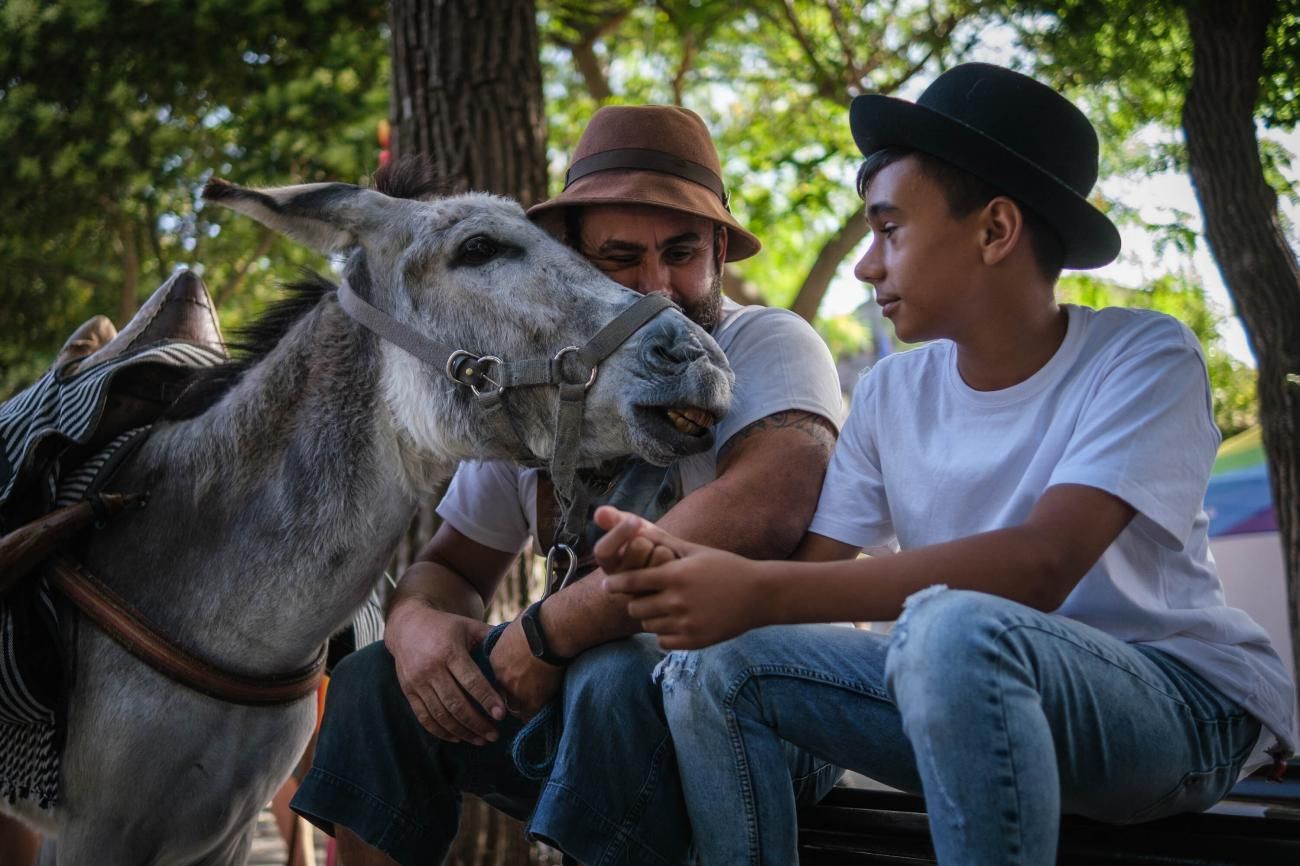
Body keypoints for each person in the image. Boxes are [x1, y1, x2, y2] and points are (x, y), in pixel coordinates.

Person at [591, 63, 1297, 865]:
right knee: (710, 667)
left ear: (996, 231)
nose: (866, 265)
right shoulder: (894, 391)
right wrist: (681, 568)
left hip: (1176, 709)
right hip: (958, 687)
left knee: (949, 623)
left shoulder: (1143, 355)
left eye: (889, 230)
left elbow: (1040, 565)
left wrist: (756, 589)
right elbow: (810, 580)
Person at [290, 104, 844, 866]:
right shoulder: (543, 392)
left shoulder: (768, 342)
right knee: (371, 680)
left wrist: (548, 633)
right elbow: (450, 568)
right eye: (620, 259)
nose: (659, 287)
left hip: (770, 714)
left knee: (613, 673)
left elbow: (764, 510)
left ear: (720, 248)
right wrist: (416, 626)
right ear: (574, 262)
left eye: (681, 252)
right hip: (589, 709)